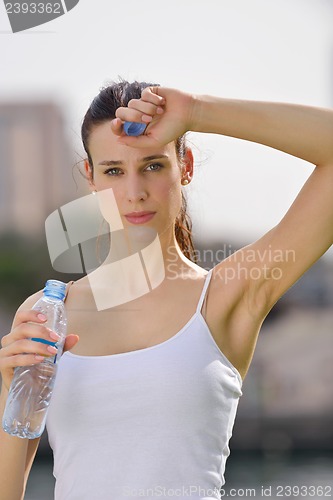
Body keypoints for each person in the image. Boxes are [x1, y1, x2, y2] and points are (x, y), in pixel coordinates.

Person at [0, 79, 332, 500]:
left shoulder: (225, 296)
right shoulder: (47, 312)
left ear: (185, 165)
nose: (135, 193)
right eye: (114, 171)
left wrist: (196, 110)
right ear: (91, 177)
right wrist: (9, 384)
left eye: (153, 165)